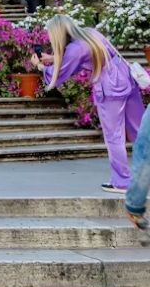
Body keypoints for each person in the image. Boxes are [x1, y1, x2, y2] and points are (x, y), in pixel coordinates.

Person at [33, 14, 143, 193]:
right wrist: (53, 58)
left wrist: (40, 66)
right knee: (140, 130)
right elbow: (79, 57)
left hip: (110, 88)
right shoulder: (90, 34)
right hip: (126, 79)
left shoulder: (75, 49)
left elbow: (60, 72)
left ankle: (122, 182)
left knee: (114, 136)